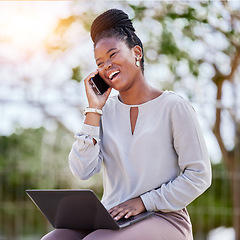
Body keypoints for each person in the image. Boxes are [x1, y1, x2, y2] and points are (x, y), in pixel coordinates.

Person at [41, 8, 211, 240]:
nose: (107, 65)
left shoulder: (173, 106)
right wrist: (94, 109)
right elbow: (82, 170)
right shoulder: (104, 113)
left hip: (163, 217)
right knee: (53, 239)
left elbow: (199, 175)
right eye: (100, 62)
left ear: (136, 53)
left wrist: (143, 201)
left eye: (113, 55)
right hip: (112, 217)